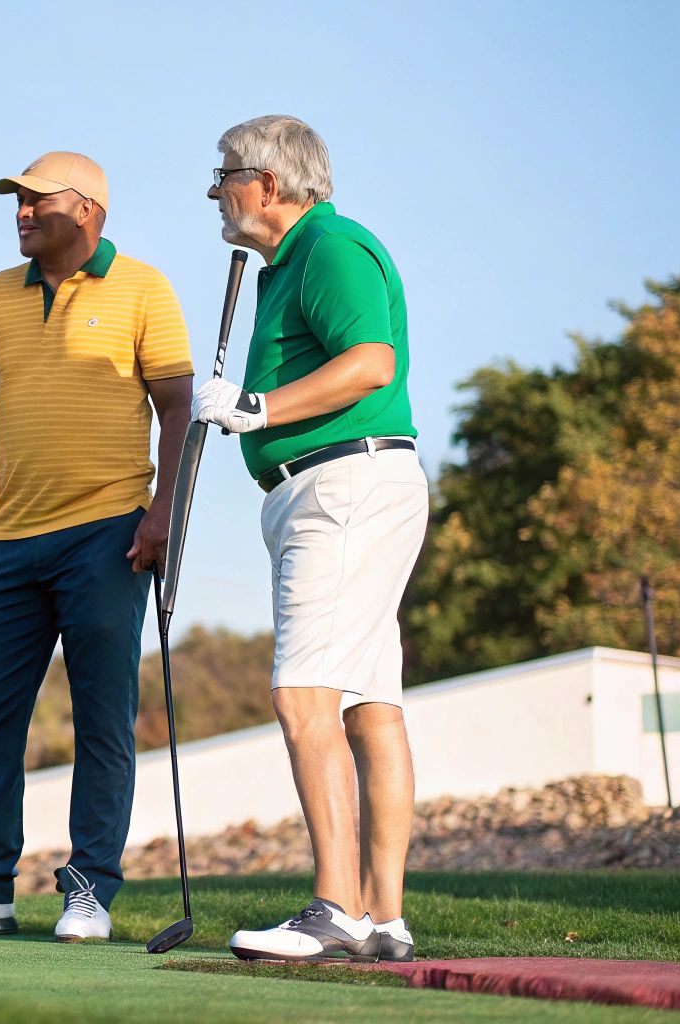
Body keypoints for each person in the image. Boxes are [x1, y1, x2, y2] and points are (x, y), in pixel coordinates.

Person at [0, 152, 192, 942]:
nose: (19, 212)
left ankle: (89, 891)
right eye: (14, 202)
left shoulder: (145, 288)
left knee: (102, 718)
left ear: (85, 210)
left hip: (109, 530)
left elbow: (181, 411)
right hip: (10, 539)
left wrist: (164, 514)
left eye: (32, 200)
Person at [194, 114, 426, 963]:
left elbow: (372, 362)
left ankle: (336, 910)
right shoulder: (285, 265)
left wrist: (257, 407)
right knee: (368, 706)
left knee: (304, 697)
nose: (217, 192)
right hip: (341, 485)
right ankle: (386, 920)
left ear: (271, 182)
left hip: (342, 484)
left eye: (224, 175)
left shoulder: (330, 246)